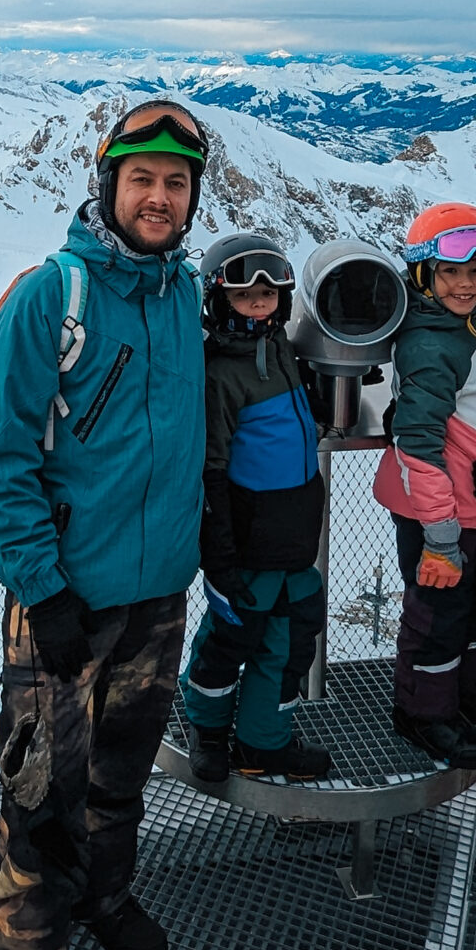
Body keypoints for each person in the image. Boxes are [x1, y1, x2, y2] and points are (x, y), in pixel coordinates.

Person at [0, 99, 210, 950]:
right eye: (141, 179)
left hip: (158, 598)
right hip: (62, 600)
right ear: (109, 186)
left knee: (119, 779)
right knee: (41, 801)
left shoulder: (184, 294)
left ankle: (103, 897)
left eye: (175, 184)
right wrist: (43, 587)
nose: (158, 197)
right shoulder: (49, 297)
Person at [376, 202, 476, 770]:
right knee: (436, 617)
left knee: (466, 610)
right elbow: (416, 443)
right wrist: (439, 535)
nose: (465, 283)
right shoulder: (431, 343)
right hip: (439, 516)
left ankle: (458, 697)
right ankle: (424, 713)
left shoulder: (466, 326)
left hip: (472, 509)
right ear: (423, 275)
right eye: (450, 272)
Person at [178, 231, 332, 784]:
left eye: (269, 293)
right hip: (247, 542)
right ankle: (207, 728)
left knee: (291, 644)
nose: (260, 302)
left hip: (294, 540)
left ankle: (264, 742)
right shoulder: (219, 372)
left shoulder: (285, 352)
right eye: (244, 295)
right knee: (230, 638)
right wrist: (218, 553)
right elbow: (211, 469)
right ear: (220, 300)